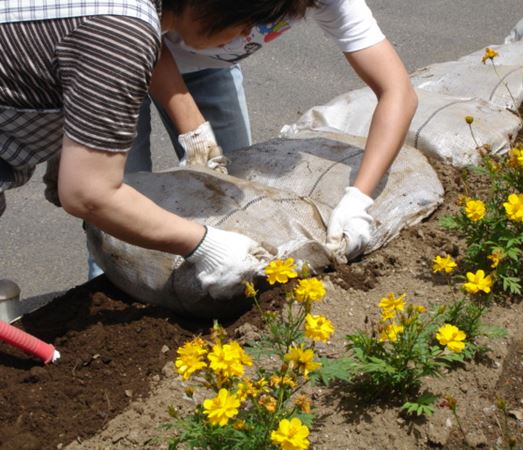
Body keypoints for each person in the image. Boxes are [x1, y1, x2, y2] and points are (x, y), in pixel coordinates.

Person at [0, 0, 320, 302]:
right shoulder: (123, 33)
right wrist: (206, 245)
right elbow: (89, 195)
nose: (245, 37)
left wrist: (70, 146)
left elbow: (48, 61)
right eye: (248, 23)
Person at [86, 0, 419, 278]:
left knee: (236, 198)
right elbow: (133, 24)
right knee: (115, 195)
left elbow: (397, 92)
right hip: (120, 57)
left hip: (210, 65)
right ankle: (108, 291)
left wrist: (358, 197)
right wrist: (192, 124)